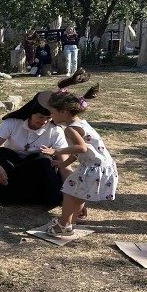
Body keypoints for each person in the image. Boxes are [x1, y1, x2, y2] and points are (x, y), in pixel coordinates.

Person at [39, 81, 118, 236]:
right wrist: (63, 163)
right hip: (100, 165)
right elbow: (77, 153)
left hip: (94, 167)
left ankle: (64, 225)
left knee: (69, 193)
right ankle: (70, 222)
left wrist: (56, 151)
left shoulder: (70, 129)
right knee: (77, 193)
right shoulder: (80, 123)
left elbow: (81, 148)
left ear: (64, 112)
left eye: (53, 112)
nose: (51, 115)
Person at [0, 91, 71, 207]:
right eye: (40, 117)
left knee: (45, 161)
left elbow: (64, 164)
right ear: (32, 112)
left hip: (35, 169)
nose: (43, 122)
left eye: (48, 118)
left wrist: (70, 195)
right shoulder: (12, 123)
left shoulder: (55, 131)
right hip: (11, 164)